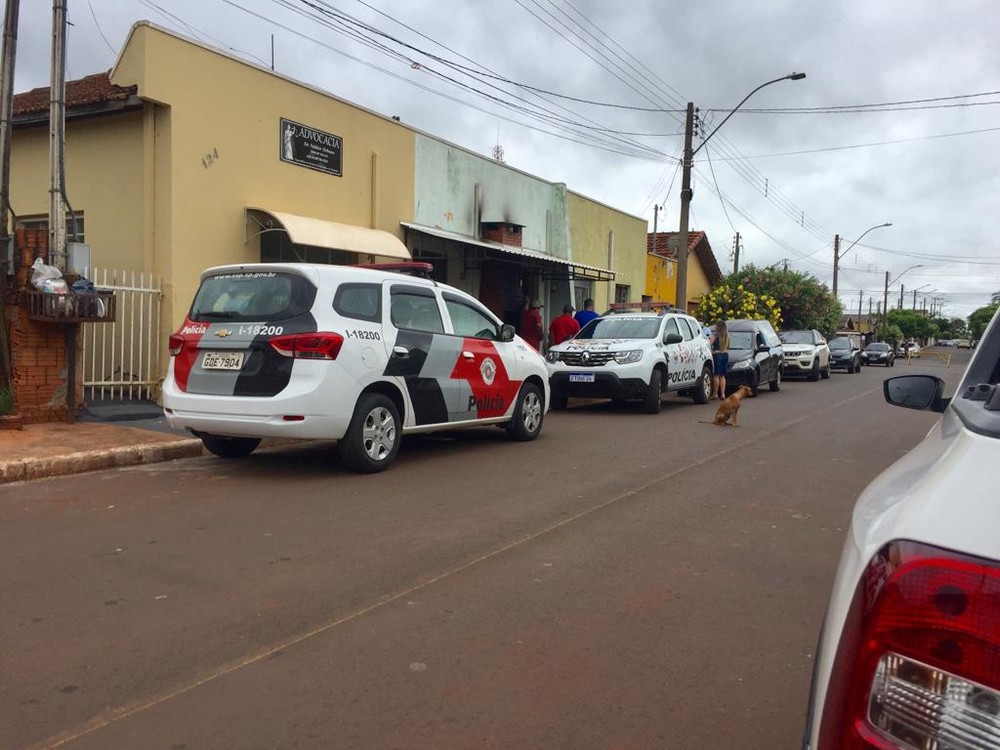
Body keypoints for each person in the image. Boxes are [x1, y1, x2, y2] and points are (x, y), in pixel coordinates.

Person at [709, 320, 729, 400]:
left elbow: (709, 343)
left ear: (718, 327)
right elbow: (729, 345)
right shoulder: (727, 335)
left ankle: (715, 393)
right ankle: (723, 394)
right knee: (722, 375)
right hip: (725, 354)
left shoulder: (715, 335)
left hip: (717, 355)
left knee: (716, 375)